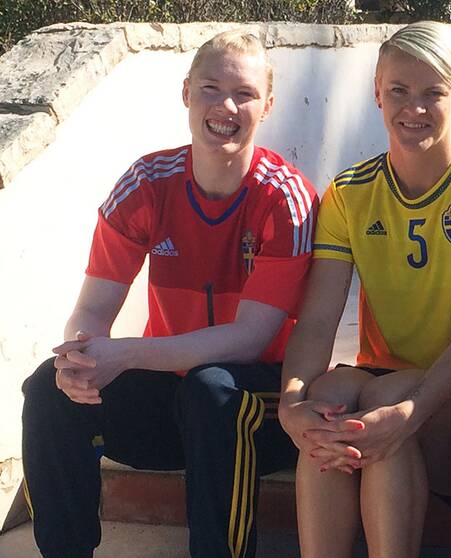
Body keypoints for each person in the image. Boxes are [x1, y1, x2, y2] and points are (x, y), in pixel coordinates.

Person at [19, 30, 316, 558]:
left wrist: (126, 353)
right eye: (210, 88)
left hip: (262, 410)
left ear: (268, 105)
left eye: (244, 94)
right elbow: (92, 309)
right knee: (49, 387)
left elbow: (250, 340)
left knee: (212, 389)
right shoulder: (146, 183)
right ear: (186, 93)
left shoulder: (286, 199)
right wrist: (81, 358)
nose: (226, 107)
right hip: (172, 401)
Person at [277, 21, 451, 558]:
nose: (414, 108)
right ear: (376, 92)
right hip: (383, 379)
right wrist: (291, 405)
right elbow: (317, 320)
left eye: (433, 92)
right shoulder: (349, 192)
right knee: (327, 403)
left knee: (385, 400)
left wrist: (408, 413)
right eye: (398, 91)